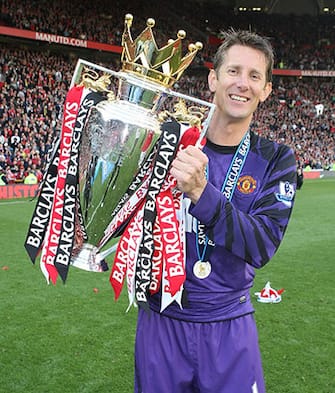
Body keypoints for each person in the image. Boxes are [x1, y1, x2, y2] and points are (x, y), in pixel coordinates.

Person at [134, 29, 297, 393]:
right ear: (213, 79)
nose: (243, 83)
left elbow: (261, 245)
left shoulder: (275, 159)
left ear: (267, 89)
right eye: (233, 71)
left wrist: (200, 192)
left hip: (229, 323)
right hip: (161, 321)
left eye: (255, 76)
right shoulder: (167, 143)